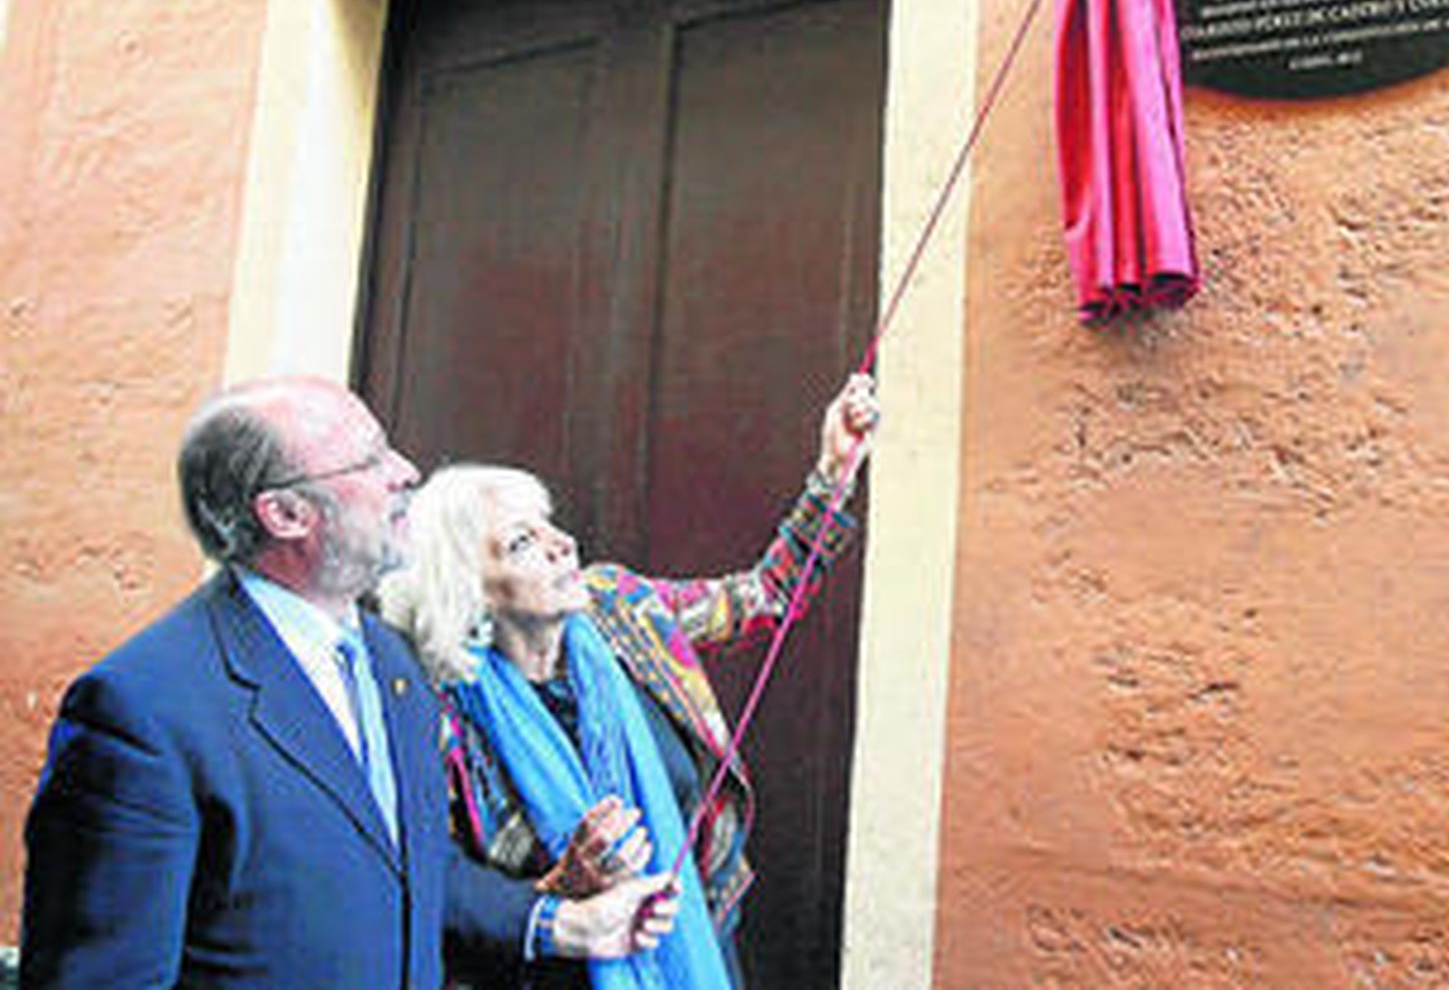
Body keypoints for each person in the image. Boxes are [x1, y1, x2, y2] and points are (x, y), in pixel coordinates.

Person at [20, 375, 678, 990]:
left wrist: (561, 924)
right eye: (369, 461)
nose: (406, 473)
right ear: (284, 513)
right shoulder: (143, 710)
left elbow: (411, 864)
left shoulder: (392, 663)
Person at [379, 374, 879, 990]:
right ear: (467, 592)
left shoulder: (620, 605)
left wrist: (834, 471)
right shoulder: (439, 715)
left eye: (548, 523)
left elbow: (764, 595)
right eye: (521, 542)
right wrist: (562, 888)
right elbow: (437, 896)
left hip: (695, 944)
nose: (562, 545)